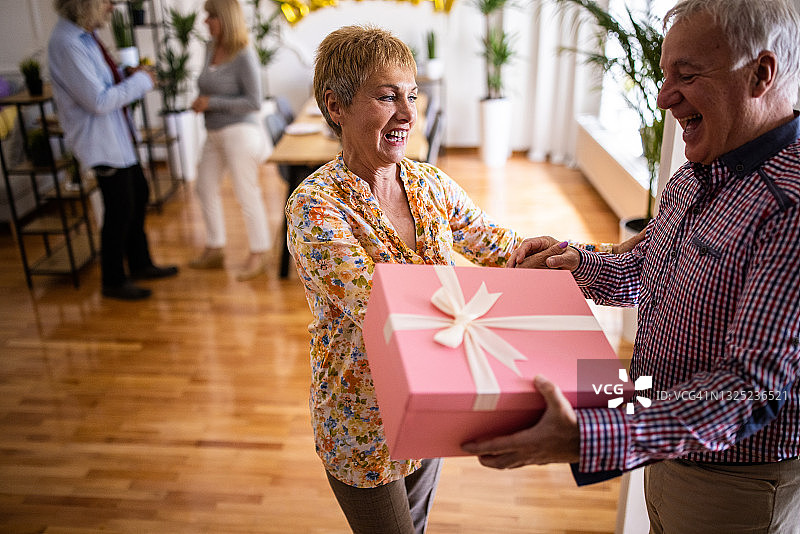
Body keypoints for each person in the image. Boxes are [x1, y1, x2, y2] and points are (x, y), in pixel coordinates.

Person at [463, 0, 800, 532]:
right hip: (666, 442)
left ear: (761, 73)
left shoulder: (790, 207)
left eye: (685, 76)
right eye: (665, 77)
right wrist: (574, 264)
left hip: (736, 480)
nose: (665, 98)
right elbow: (648, 271)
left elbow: (750, 387)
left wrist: (587, 438)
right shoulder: (696, 173)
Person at [285, 25, 524, 533]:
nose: (408, 115)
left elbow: (501, 247)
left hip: (428, 403)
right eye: (386, 96)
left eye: (411, 96)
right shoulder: (314, 205)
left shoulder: (428, 182)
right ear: (336, 105)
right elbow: (384, 307)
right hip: (360, 419)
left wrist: (591, 256)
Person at [48, 0, 178, 301]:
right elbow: (97, 99)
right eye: (107, 1)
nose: (112, 7)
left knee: (138, 195)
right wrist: (141, 81)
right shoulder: (67, 43)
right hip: (100, 143)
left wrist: (125, 71)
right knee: (119, 209)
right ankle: (113, 280)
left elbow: (100, 78)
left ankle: (140, 264)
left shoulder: (86, 36)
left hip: (118, 138)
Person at [189, 0, 271, 281]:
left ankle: (259, 253)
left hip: (240, 133)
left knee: (245, 192)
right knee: (203, 187)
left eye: (211, 16)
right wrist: (204, 102)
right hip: (213, 133)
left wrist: (211, 102)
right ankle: (215, 247)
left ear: (225, 19)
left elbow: (254, 102)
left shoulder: (244, 54)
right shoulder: (210, 48)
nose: (206, 22)